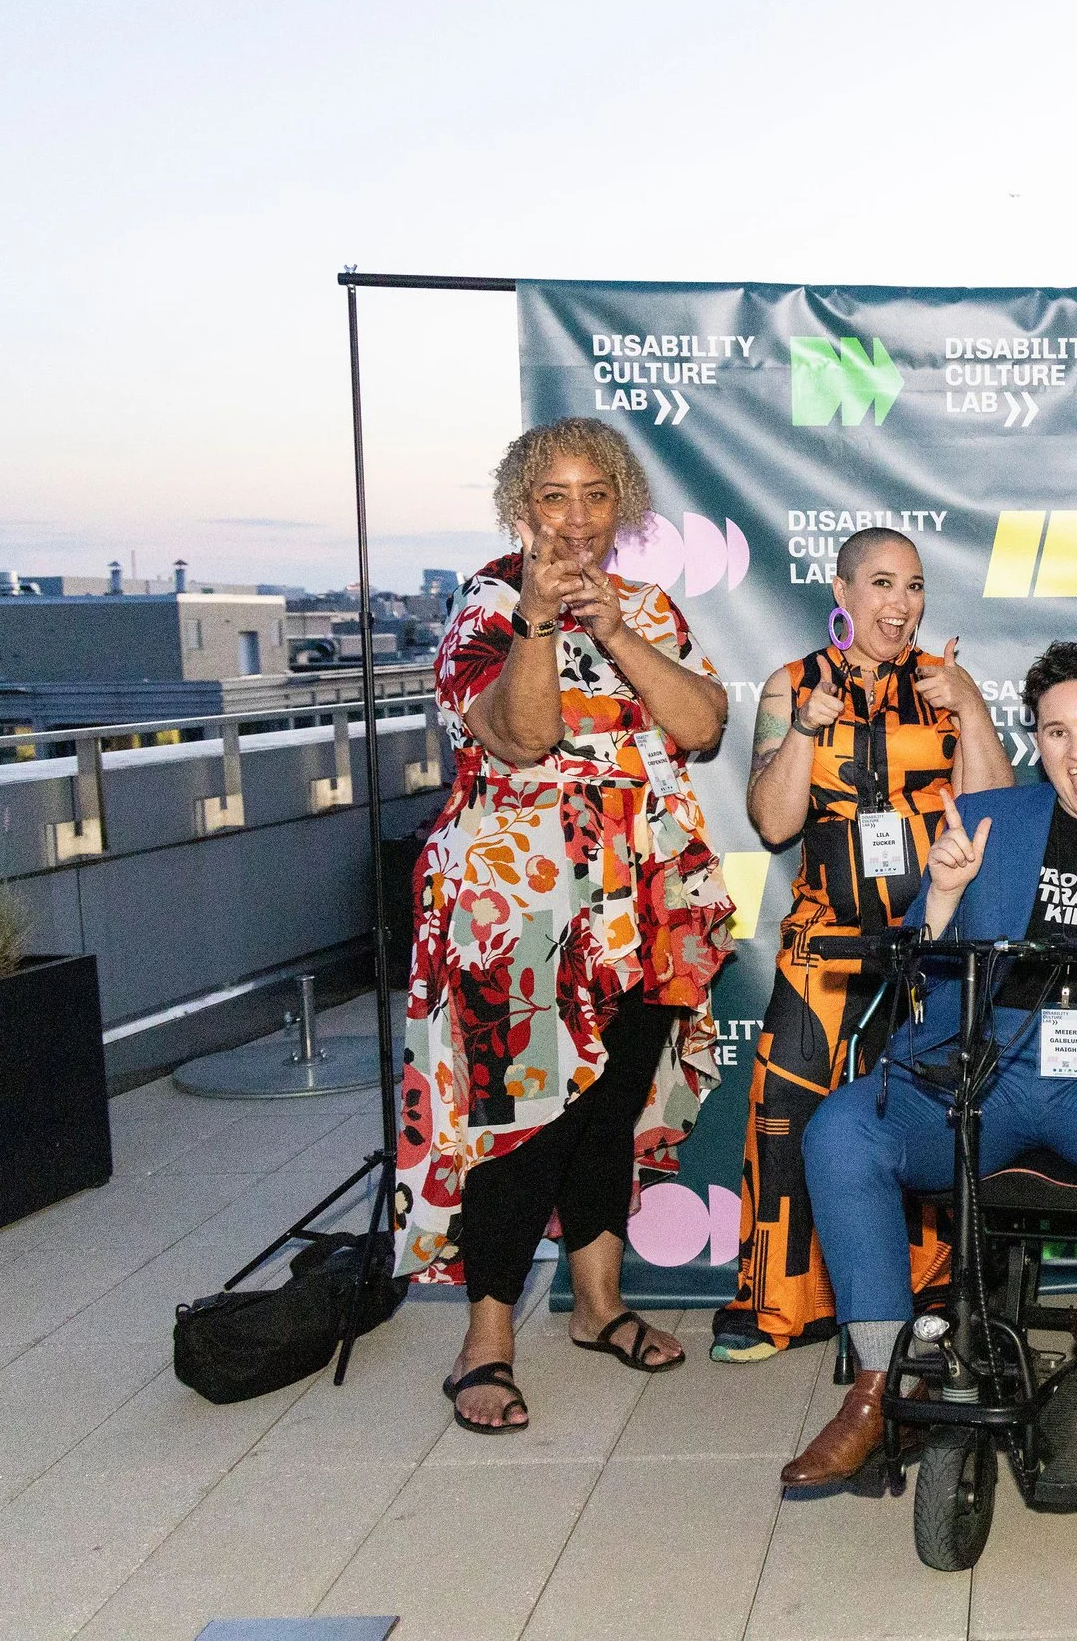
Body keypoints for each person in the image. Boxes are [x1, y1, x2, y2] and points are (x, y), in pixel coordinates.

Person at [780, 643, 1077, 1487]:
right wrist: (938, 895)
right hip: (987, 1060)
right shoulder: (985, 820)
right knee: (840, 1128)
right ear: (1035, 741)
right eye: (1055, 733)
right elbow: (918, 968)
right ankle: (873, 1384)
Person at [396, 416, 738, 1434]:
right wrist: (546, 622)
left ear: (622, 505)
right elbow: (523, 733)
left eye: (597, 495)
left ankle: (598, 1303)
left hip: (643, 897)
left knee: (609, 1103)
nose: (577, 516)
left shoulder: (648, 606)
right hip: (520, 911)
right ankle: (486, 1339)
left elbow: (703, 724)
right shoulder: (488, 604)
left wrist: (615, 628)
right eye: (555, 495)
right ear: (521, 505)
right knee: (520, 1118)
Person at [710, 527, 1015, 1363]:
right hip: (824, 944)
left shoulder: (943, 683)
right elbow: (773, 822)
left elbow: (1000, 819)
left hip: (931, 946)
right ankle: (778, 1306)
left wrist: (973, 708)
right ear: (841, 594)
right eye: (881, 583)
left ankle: (920, 1296)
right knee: (785, 1118)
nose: (901, 603)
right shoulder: (793, 685)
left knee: (912, 1114)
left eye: (914, 585)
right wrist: (806, 729)